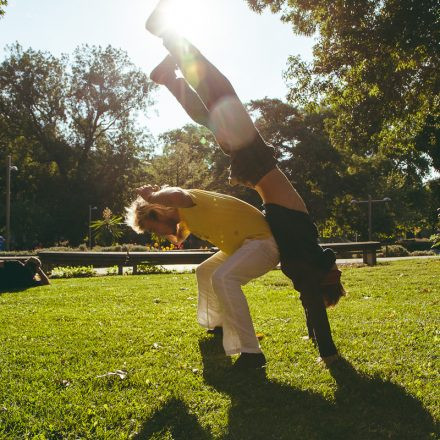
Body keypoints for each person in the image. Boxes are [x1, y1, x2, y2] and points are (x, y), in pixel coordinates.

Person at [145, 1, 345, 365]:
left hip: (259, 165)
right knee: (211, 115)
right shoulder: (302, 267)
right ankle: (169, 77)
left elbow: (315, 304)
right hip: (254, 171)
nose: (337, 268)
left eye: (335, 274)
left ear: (325, 276)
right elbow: (313, 308)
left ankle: (169, 36)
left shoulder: (307, 258)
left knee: (219, 90)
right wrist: (327, 355)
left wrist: (329, 353)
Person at [126, 185, 280, 370]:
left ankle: (251, 352)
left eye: (152, 229)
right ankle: (218, 324)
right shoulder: (185, 219)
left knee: (224, 278)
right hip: (245, 245)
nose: (156, 234)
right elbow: (177, 240)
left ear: (157, 212)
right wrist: (156, 202)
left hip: (263, 243)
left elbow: (176, 194)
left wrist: (151, 196)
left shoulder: (186, 202)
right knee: (205, 271)